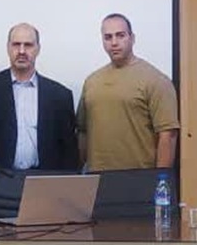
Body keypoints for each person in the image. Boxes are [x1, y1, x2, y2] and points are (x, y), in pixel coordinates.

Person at [0, 23, 79, 211]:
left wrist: (67, 189)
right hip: (0, 184)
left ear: (38, 49)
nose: (21, 51)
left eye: (28, 45)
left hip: (46, 185)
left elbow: (69, 151)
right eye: (16, 44)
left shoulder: (60, 95)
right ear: (7, 48)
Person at [76, 13, 180, 172]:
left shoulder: (156, 80)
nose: (114, 42)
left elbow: (168, 135)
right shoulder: (92, 81)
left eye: (120, 35)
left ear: (132, 38)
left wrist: (160, 180)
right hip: (96, 177)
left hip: (139, 176)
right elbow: (82, 131)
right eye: (108, 37)